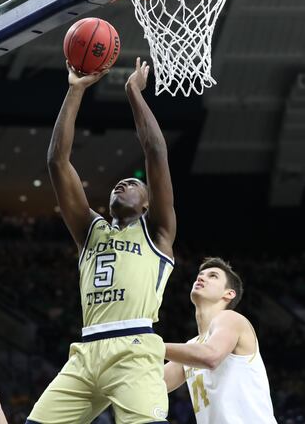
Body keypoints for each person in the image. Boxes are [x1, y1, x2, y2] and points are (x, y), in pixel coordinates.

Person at [26, 57, 176, 424]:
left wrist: (133, 92)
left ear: (147, 204)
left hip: (134, 348)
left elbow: (155, 151)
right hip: (86, 351)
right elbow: (57, 162)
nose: (122, 183)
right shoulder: (89, 230)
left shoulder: (157, 232)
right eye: (118, 184)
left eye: (134, 183)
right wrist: (75, 90)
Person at [163, 257, 278, 424]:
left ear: (229, 293)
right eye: (200, 275)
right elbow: (153, 385)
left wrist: (152, 345)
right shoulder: (192, 347)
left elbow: (211, 356)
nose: (201, 278)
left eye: (213, 276)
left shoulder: (231, 318)